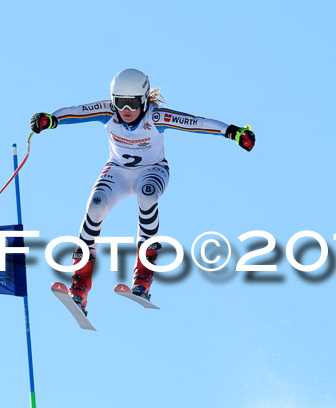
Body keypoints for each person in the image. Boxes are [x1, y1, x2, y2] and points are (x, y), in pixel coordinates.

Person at [30, 68, 255, 313]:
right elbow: (76, 111)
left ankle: (143, 276)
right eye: (120, 103)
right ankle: (80, 284)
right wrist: (51, 119)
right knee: (94, 207)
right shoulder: (108, 112)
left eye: (133, 103)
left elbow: (196, 123)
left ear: (145, 99)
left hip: (152, 171)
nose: (126, 110)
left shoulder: (156, 118)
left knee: (147, 196)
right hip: (117, 171)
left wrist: (233, 132)